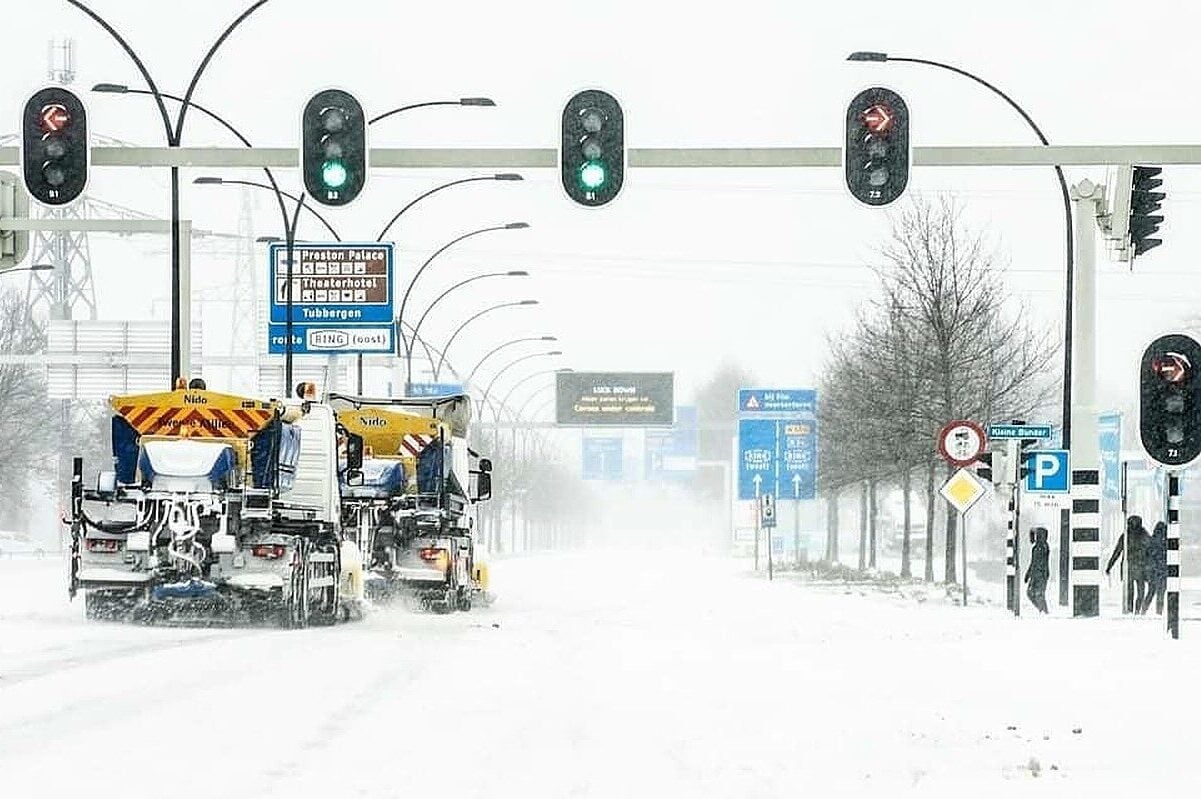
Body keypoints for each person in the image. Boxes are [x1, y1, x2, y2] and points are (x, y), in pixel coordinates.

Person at [1106, 515, 1150, 613]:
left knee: (1130, 592)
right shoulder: (1144, 534)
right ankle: (1137, 610)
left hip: (1129, 567)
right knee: (1140, 591)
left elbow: (1117, 552)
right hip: (1140, 567)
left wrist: (1109, 566)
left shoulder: (1125, 536)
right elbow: (1150, 551)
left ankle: (1130, 610)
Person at [1142, 521, 1168, 615]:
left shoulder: (1151, 541)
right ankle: (1159, 612)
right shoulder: (1166, 542)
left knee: (1151, 592)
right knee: (1161, 593)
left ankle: (1143, 611)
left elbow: (1147, 557)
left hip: (1153, 571)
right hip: (1163, 570)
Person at [1024, 526, 1050, 614]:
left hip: (1041, 575)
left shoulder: (1044, 547)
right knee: (1030, 593)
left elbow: (1037, 562)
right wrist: (1028, 574)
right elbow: (1033, 562)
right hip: (1035, 574)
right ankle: (1042, 610)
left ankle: (1044, 612)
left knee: (1039, 594)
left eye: (1037, 535)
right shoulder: (1035, 548)